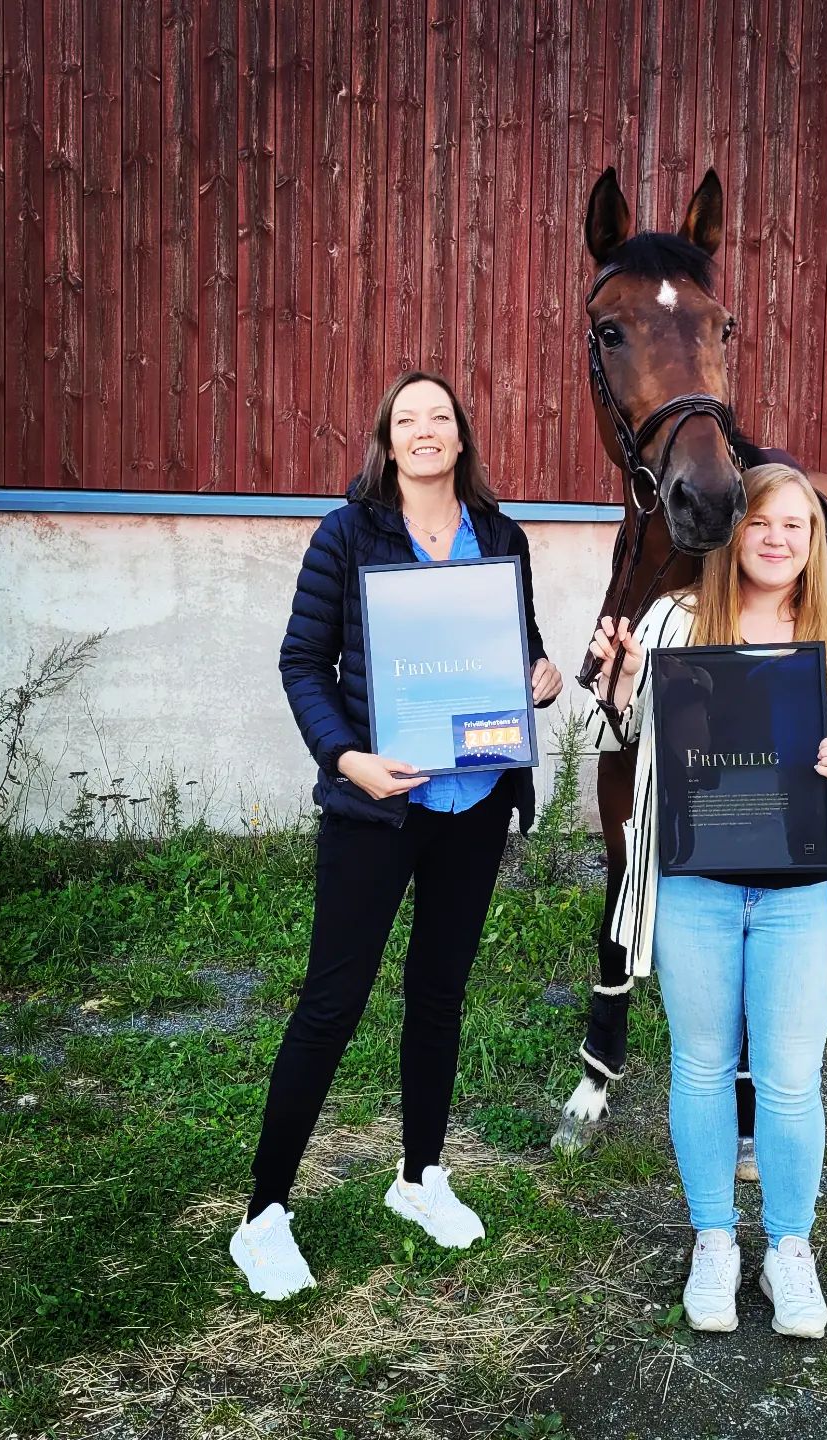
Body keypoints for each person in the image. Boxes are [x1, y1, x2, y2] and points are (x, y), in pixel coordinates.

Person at [231, 371, 563, 1299]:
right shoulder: (347, 535)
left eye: (441, 419)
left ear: (462, 440)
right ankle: (263, 1216)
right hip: (378, 808)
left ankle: (419, 1177)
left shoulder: (499, 538)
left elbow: (521, 646)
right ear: (387, 439)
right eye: (407, 419)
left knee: (439, 996)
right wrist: (348, 759)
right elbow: (302, 662)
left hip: (476, 804)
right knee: (331, 1004)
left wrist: (538, 676)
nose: (426, 432)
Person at [581, 463, 827, 1338]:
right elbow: (607, 731)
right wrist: (619, 679)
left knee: (793, 1082)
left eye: (795, 526)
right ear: (735, 532)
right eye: (762, 521)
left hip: (801, 892)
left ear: (813, 542)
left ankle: (789, 1250)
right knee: (699, 1067)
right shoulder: (676, 620)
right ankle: (715, 1241)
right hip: (696, 885)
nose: (776, 538)